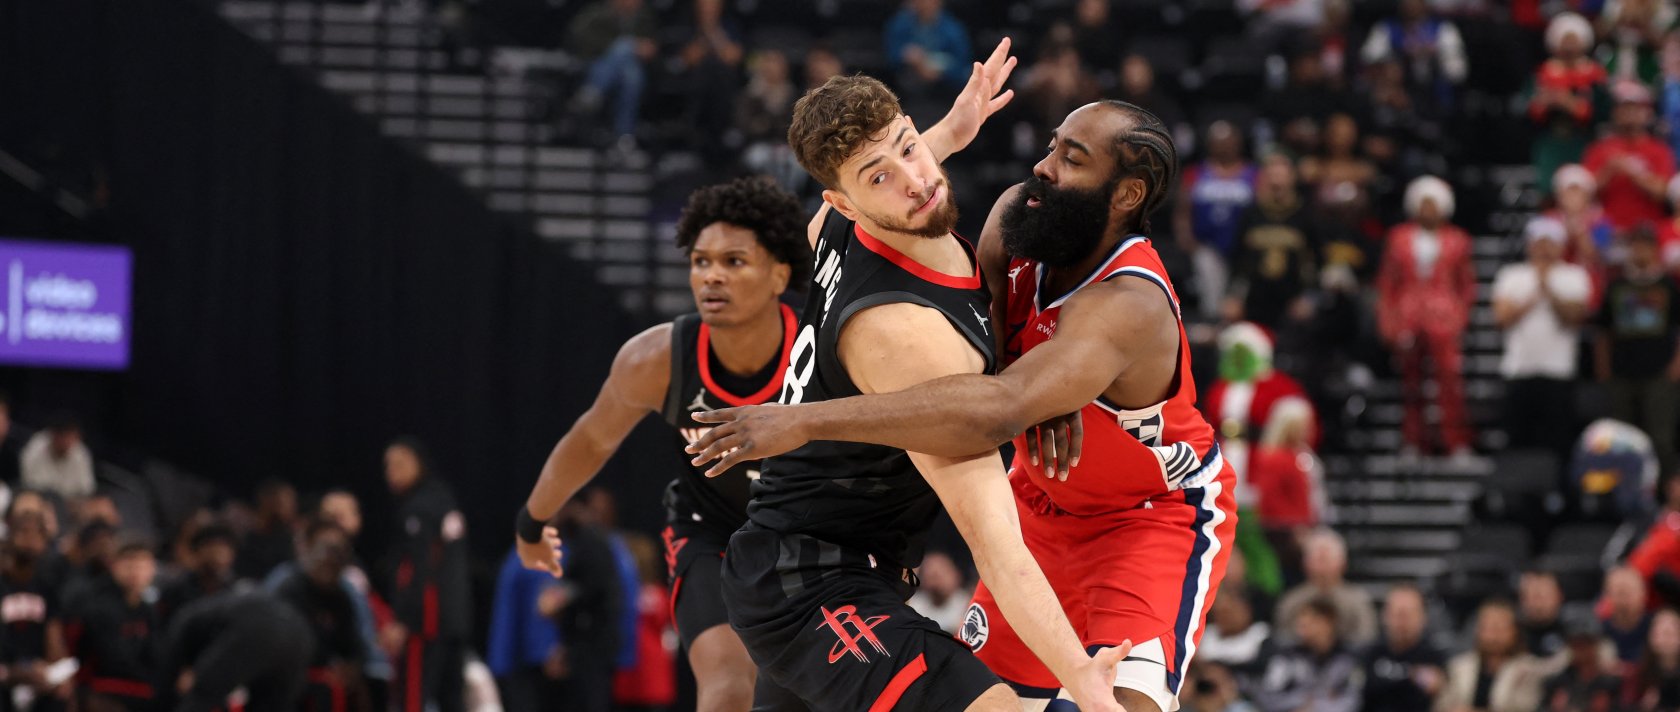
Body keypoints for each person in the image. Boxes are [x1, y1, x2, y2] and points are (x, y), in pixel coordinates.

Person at [690, 95, 1239, 711]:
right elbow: (994, 352)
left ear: (1126, 195)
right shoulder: (1016, 216)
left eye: (1071, 159)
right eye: (1052, 145)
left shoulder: (1127, 303)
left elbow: (996, 407)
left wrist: (803, 421)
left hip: (1144, 518)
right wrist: (1047, 390)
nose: (1043, 167)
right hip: (1035, 504)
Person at [512, 175, 811, 712]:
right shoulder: (655, 360)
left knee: (803, 694)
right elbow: (590, 443)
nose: (711, 276)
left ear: (778, 274)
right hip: (711, 529)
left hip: (812, 530)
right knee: (725, 689)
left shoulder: (822, 347)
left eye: (734, 262)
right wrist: (533, 522)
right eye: (701, 261)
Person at [1376, 175, 1477, 457]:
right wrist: (1389, 321)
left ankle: (1456, 440)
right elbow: (1388, 283)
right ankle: (1412, 439)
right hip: (1408, 315)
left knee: (1449, 381)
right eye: (1424, 204)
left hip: (1443, 316)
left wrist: (1459, 316)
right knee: (1411, 382)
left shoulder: (1458, 240)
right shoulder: (1399, 238)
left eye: (1433, 204)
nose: (1428, 210)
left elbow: (1466, 285)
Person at [382, 438, 470, 712]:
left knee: (413, 700)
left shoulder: (419, 509)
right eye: (387, 466)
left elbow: (418, 567)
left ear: (419, 465)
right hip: (456, 619)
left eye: (399, 464)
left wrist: (403, 620)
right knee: (452, 699)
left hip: (426, 622)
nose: (391, 472)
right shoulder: (445, 500)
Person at [1492, 216, 1593, 454]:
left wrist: (1549, 288)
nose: (1544, 249)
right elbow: (1502, 319)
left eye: (1550, 243)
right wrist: (1536, 290)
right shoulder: (1512, 275)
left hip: (1558, 371)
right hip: (1518, 369)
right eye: (1539, 243)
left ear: (1560, 246)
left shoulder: (1574, 275)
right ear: (1530, 245)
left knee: (1558, 441)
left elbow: (1574, 319)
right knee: (1517, 438)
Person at [1595, 226, 1680, 475]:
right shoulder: (1616, 285)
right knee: (1621, 439)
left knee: (1661, 438)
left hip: (1659, 372)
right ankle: (1624, 496)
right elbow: (1603, 331)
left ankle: (1668, 498)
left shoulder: (1669, 286)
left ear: (1655, 250)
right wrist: (1604, 368)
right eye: (1636, 245)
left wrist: (1677, 364)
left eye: (1646, 245)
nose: (1641, 251)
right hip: (1622, 371)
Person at [270, 519, 368, 712]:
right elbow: (287, 648)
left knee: (367, 684)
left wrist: (352, 666)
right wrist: (329, 667)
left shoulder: (342, 596)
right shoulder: (288, 589)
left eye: (340, 552)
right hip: (290, 678)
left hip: (328, 677)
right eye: (327, 550)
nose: (332, 559)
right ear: (307, 549)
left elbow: (354, 643)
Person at [160, 591, 313, 712]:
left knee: (202, 695)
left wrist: (187, 668)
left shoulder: (189, 618)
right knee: (274, 706)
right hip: (301, 636)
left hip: (259, 632)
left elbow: (201, 687)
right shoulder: (226, 603)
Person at [1226, 153, 1318, 331]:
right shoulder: (1250, 214)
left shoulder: (1306, 216)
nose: (1277, 183)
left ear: (1292, 179)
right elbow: (1238, 260)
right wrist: (1234, 297)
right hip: (1254, 301)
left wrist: (1309, 298)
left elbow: (1317, 259)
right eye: (1272, 176)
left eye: (1282, 176)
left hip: (1293, 303)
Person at [1174, 121, 1258, 317]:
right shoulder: (1195, 173)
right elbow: (1183, 208)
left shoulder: (1253, 174)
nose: (1224, 146)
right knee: (1211, 297)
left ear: (1238, 143)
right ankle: (1211, 325)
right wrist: (1185, 236)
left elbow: (1262, 208)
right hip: (1206, 245)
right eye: (1219, 142)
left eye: (1228, 141)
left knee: (1241, 293)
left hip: (1244, 248)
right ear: (1209, 144)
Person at [69, 539, 160, 711]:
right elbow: (113, 659)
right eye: (129, 564)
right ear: (114, 566)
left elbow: (156, 654)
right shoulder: (98, 604)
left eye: (142, 565)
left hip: (140, 689)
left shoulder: (148, 609)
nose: (136, 571)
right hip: (103, 687)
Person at [1529, 13, 1608, 198]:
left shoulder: (1594, 75)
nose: (1569, 47)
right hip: (1552, 139)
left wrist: (1571, 104)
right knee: (1548, 191)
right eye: (1565, 40)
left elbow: (1603, 110)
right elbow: (1529, 107)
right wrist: (1544, 103)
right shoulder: (1543, 74)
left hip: (1584, 139)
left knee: (1584, 189)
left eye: (1574, 40)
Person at [1583, 79, 1675, 235]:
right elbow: (1583, 194)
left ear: (1647, 113)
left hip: (1648, 232)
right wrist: (1609, 170)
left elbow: (1663, 193)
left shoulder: (1660, 150)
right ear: (1615, 113)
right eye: (1624, 109)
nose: (1629, 114)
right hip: (1607, 230)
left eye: (1636, 109)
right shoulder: (1599, 149)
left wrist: (1634, 172)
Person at [564, 0, 657, 146]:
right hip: (596, 62)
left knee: (630, 72)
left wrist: (645, 49)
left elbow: (652, 45)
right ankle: (625, 136)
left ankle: (592, 92)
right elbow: (578, 36)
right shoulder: (597, 13)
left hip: (632, 68)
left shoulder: (644, 19)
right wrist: (614, 48)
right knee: (625, 52)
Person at [0, 511, 68, 709]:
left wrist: (56, 672)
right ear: (10, 537)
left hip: (36, 675)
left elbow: (54, 638)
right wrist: (14, 672)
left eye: (37, 535)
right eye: (23, 532)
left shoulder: (47, 587)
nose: (30, 540)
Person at [1251, 597, 1361, 712]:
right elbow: (1267, 697)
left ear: (1329, 622)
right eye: (1301, 617)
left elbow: (1353, 699)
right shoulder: (1286, 657)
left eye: (1312, 618)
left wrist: (1315, 706)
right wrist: (1304, 700)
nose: (1303, 622)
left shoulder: (1348, 659)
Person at [1359, 0, 1468, 115]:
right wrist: (1396, 57)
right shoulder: (1387, 27)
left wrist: (1435, 53)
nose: (1411, 5)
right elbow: (1367, 60)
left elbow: (1458, 73)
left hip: (1435, 95)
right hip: (1399, 92)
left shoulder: (1443, 29)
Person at [1438, 600, 1548, 712]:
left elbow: (1525, 708)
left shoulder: (1527, 670)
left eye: (1499, 628)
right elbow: (1442, 706)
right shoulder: (1459, 666)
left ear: (1514, 631)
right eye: (1487, 627)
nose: (1493, 635)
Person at [1274, 529, 1378, 648]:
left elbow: (1366, 639)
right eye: (1318, 559)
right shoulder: (1292, 601)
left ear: (1343, 563)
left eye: (1326, 559)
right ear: (1305, 564)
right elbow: (1280, 640)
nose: (1322, 567)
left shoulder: (1358, 601)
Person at [1361, 584, 1446, 712]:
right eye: (1397, 614)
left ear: (1423, 617)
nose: (1402, 622)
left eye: (1409, 614)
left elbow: (1434, 688)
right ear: (1384, 616)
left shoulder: (1434, 656)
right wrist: (1411, 676)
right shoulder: (1370, 653)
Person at [156, 524, 239, 625]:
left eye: (224, 549)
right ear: (197, 552)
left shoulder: (238, 591)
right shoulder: (175, 591)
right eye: (211, 547)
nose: (217, 555)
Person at [1541, 613, 1624, 711]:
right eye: (1576, 644)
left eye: (1586, 643)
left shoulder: (1611, 684)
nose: (1582, 650)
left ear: (1597, 645)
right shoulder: (1557, 683)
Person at [20, 413, 94, 502]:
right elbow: (30, 487)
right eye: (63, 436)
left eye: (70, 436)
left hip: (71, 505)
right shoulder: (35, 449)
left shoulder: (81, 453)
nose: (66, 441)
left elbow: (87, 490)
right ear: (53, 434)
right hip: (40, 502)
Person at [237, 479, 297, 580]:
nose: (288, 509)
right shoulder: (247, 542)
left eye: (291, 503)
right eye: (280, 504)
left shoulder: (296, 539)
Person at [1624, 607, 1680, 710]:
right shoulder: (1638, 675)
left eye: (1672, 632)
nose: (1667, 639)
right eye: (1662, 632)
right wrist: (1645, 707)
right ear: (1651, 636)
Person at [907, 551, 973, 634]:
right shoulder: (913, 605)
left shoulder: (968, 604)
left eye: (942, 574)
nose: (937, 582)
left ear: (956, 574)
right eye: (932, 576)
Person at [1604, 565, 1656, 663]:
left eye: (1629, 593)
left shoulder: (1656, 628)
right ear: (1607, 595)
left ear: (1643, 593)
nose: (1624, 600)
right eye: (1620, 593)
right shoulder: (1599, 631)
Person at [1520, 569, 1570, 660]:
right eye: (1533, 596)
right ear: (1522, 599)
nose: (1538, 604)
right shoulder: (1512, 634)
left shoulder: (1573, 632)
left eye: (1544, 596)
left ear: (1559, 596)